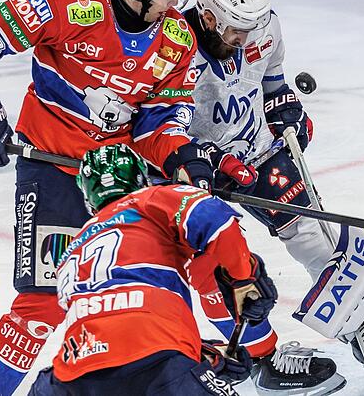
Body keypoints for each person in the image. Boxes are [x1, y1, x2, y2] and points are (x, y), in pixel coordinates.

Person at [0, 0, 253, 394]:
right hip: (51, 169)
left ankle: (200, 361)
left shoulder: (175, 40)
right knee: (41, 307)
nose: (177, 5)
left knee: (149, 287)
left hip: (122, 182)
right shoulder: (68, 6)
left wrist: (183, 157)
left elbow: (160, 121)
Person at [181, 0, 344, 395]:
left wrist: (286, 108)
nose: (245, 39)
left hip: (255, 150)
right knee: (215, 265)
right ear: (208, 16)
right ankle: (260, 360)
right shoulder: (173, 49)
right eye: (236, 30)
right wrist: (207, 162)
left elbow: (272, 80)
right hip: (190, 168)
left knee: (316, 236)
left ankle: (358, 325)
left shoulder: (263, 27)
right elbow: (161, 127)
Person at [26, 143, 277, 395]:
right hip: (159, 361)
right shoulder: (148, 199)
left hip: (70, 378)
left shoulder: (71, 250)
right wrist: (244, 277)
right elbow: (215, 221)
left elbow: (110, 328)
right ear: (140, 178)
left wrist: (202, 354)